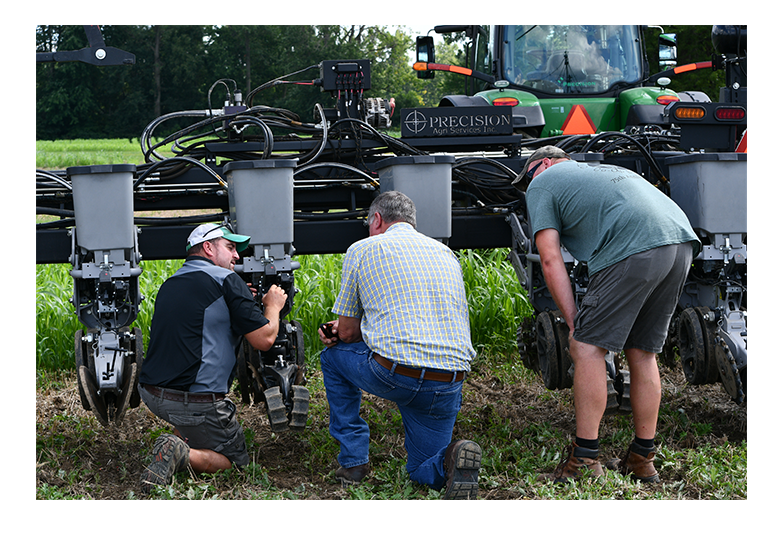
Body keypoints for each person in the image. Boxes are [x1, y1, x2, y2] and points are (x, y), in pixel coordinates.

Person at [512, 146, 699, 483]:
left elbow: (550, 258)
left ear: (543, 164)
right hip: (680, 242)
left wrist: (574, 324)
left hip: (633, 246)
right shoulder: (601, 172)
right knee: (642, 352)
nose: (528, 190)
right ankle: (642, 458)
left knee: (585, 348)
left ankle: (584, 459)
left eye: (526, 179)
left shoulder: (544, 181)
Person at [318, 191, 482, 499]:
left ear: (377, 219)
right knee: (421, 470)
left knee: (332, 358)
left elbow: (350, 334)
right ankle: (449, 461)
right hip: (448, 380)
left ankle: (354, 462)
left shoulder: (364, 248)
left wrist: (336, 331)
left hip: (396, 373)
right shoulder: (445, 253)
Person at [137, 222, 287, 493]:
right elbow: (264, 340)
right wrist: (272, 306)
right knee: (236, 462)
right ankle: (181, 452)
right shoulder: (228, 280)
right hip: (193, 401)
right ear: (208, 248)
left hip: (152, 394)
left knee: (193, 419)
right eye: (230, 247)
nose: (237, 256)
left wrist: (241, 299)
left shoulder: (171, 282)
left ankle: (183, 435)